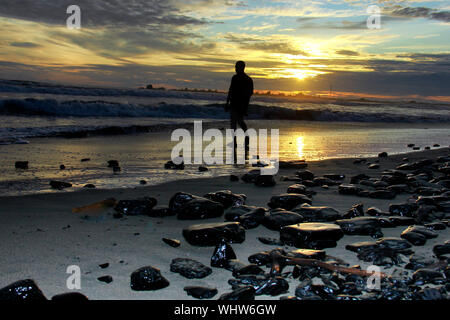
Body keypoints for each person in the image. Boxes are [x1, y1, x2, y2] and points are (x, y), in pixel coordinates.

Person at [225, 61, 254, 131]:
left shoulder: (247, 79)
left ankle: (245, 135)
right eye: (235, 67)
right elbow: (231, 90)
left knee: (238, 121)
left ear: (241, 68)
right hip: (235, 103)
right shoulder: (235, 78)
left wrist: (244, 106)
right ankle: (235, 140)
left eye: (236, 67)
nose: (235, 68)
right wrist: (227, 102)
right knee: (235, 122)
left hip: (240, 104)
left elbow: (249, 93)